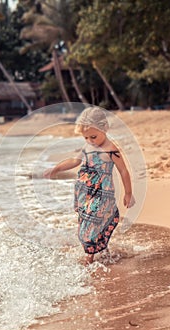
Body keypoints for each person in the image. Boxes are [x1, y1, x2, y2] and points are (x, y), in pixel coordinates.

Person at [44, 107, 135, 265]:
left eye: (93, 136)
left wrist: (128, 193)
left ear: (104, 128)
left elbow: (124, 171)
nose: (90, 140)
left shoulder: (111, 149)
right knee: (86, 222)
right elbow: (74, 161)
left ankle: (89, 256)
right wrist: (56, 168)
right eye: (86, 137)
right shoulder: (87, 147)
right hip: (85, 192)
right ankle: (100, 249)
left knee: (92, 222)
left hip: (101, 193)